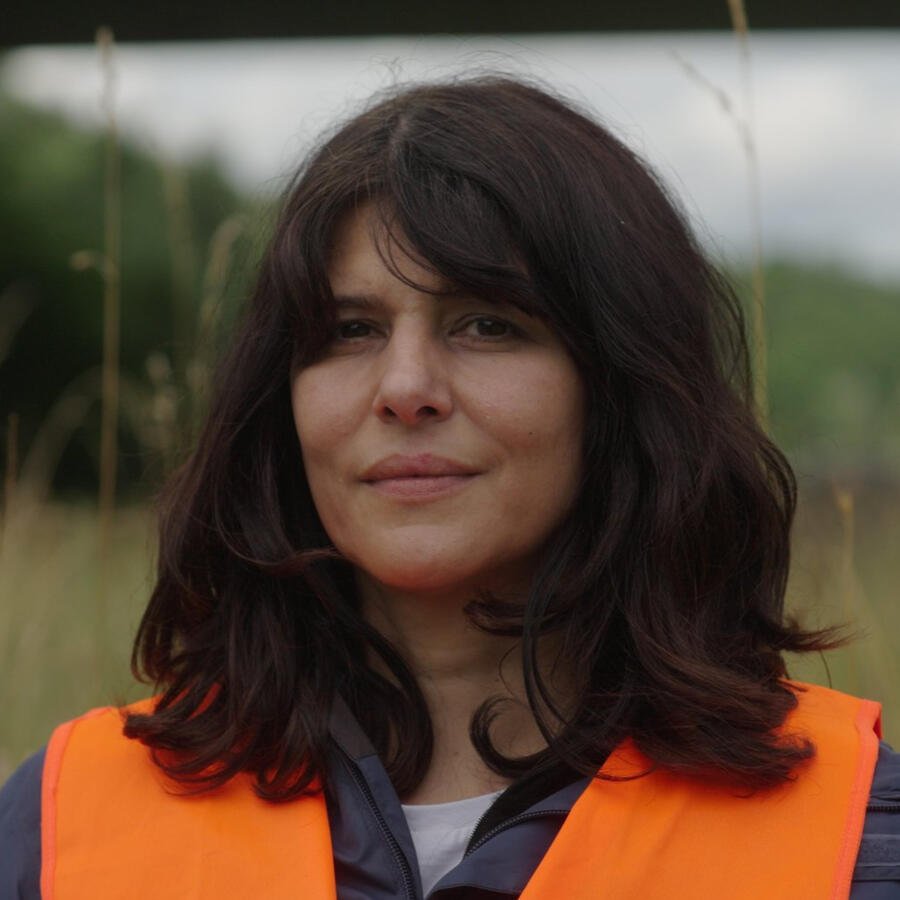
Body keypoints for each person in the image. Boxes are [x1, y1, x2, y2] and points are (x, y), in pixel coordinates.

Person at [1, 73, 898, 899]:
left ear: (622, 387)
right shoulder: (63, 826)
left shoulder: (850, 834)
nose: (405, 388)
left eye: (487, 324)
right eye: (351, 330)